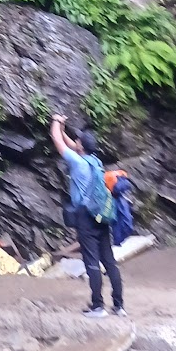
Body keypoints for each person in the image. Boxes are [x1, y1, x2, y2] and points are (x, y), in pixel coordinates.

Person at [48, 114, 125, 317]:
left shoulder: (78, 163)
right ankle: (119, 306)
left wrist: (56, 121)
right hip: (101, 215)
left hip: (85, 217)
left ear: (81, 146)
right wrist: (64, 130)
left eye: (79, 140)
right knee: (109, 262)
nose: (77, 142)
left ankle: (98, 307)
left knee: (91, 262)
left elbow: (56, 139)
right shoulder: (95, 162)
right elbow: (70, 144)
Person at [103, 162, 136, 247]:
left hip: (115, 199)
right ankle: (117, 242)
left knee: (117, 222)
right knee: (118, 222)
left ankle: (118, 241)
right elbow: (120, 188)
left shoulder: (112, 177)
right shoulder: (117, 177)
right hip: (114, 200)